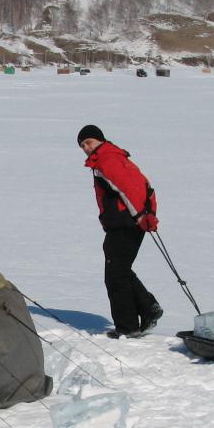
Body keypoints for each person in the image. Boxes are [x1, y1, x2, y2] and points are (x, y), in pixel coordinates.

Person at [78, 124, 163, 338]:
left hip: (126, 223)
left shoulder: (107, 159)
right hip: (126, 222)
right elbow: (146, 186)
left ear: (100, 140)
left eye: (88, 142)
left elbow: (128, 187)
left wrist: (141, 215)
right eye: (82, 146)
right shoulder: (112, 158)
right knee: (120, 270)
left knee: (115, 274)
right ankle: (147, 307)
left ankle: (128, 326)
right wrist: (146, 214)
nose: (86, 148)